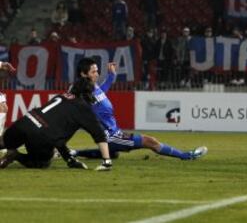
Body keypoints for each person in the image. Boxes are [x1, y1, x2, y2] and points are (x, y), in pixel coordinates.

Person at [71, 57, 207, 160]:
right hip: (111, 137)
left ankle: (74, 153)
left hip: (114, 133)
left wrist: (112, 75)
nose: (97, 74)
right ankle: (187, 156)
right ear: (83, 74)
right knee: (150, 141)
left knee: (113, 154)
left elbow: (103, 89)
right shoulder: (83, 94)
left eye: (97, 71)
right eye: (93, 71)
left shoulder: (94, 88)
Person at [0, 77, 112, 171]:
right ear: (87, 93)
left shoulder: (61, 96)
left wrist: (69, 159)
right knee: (42, 163)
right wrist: (107, 161)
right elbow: (99, 135)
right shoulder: (83, 109)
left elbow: (55, 133)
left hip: (24, 122)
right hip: (41, 136)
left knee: (3, 142)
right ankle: (15, 155)